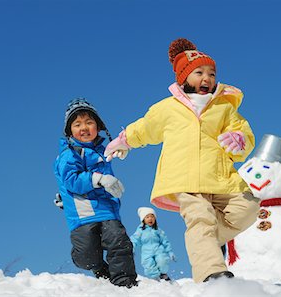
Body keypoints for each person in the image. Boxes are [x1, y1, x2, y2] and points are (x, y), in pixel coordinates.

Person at [104, 38, 260, 283]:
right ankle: (211, 273)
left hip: (220, 177)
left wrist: (239, 139)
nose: (207, 78)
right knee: (200, 218)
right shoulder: (168, 108)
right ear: (184, 77)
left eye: (212, 73)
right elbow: (146, 128)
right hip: (184, 179)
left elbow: (243, 132)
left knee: (248, 208)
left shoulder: (224, 107)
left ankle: (202, 240)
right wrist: (125, 140)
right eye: (199, 72)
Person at [53, 98, 138, 288]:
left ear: (98, 127)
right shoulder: (70, 153)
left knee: (119, 241)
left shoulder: (102, 152)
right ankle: (100, 268)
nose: (84, 127)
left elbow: (119, 145)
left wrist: (124, 145)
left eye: (89, 122)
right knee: (87, 257)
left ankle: (125, 283)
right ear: (70, 131)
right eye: (77, 124)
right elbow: (71, 180)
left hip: (107, 210)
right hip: (83, 214)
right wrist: (99, 179)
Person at [130, 207, 176, 281]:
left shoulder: (158, 230)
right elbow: (134, 239)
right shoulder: (140, 231)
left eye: (152, 216)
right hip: (146, 252)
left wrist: (170, 252)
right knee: (149, 266)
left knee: (162, 261)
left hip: (159, 250)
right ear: (143, 220)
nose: (150, 219)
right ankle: (156, 279)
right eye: (147, 217)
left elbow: (165, 241)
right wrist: (131, 248)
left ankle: (164, 275)